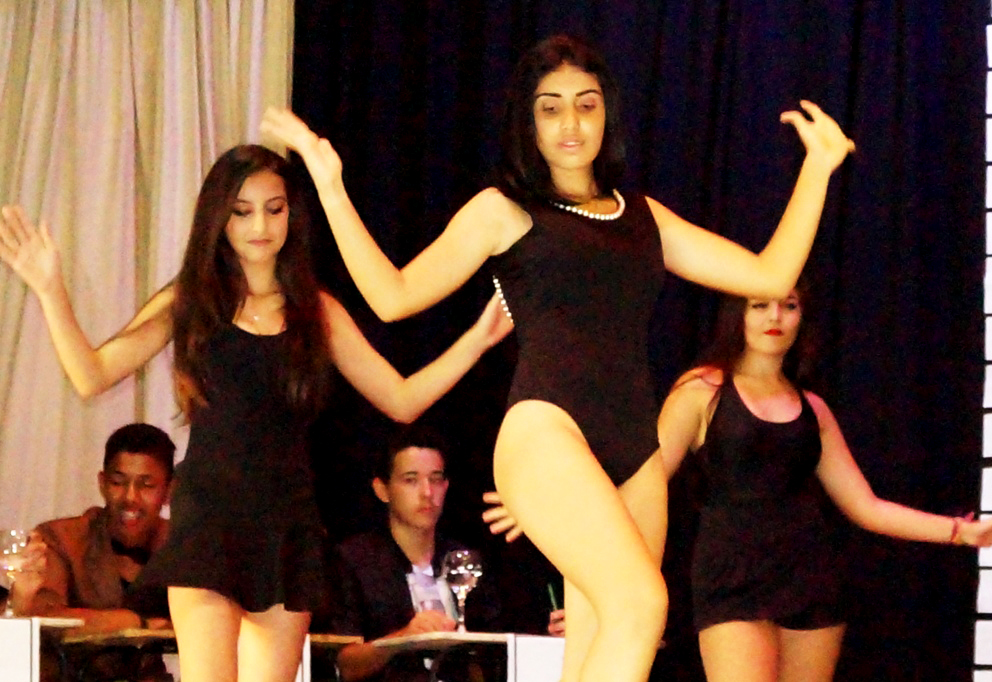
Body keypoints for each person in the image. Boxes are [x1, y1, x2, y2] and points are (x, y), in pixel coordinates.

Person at [260, 34, 854, 682]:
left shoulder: (645, 217)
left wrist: (817, 170)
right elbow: (392, 296)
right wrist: (330, 184)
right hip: (546, 431)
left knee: (603, 640)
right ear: (529, 121)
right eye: (551, 107)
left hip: (634, 452)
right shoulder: (505, 211)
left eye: (585, 104)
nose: (570, 122)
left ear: (607, 114)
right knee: (641, 604)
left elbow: (769, 275)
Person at [0, 145, 511, 682]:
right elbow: (92, 374)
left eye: (275, 208)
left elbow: (401, 398)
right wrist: (50, 289)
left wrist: (476, 341)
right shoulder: (192, 300)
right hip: (208, 521)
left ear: (292, 213)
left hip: (285, 526)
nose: (260, 226)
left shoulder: (316, 310)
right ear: (219, 218)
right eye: (242, 211)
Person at [656, 286, 992, 682]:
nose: (775, 317)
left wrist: (960, 532)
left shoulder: (814, 409)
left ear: (802, 317)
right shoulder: (701, 391)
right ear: (736, 315)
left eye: (789, 306)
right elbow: (646, 487)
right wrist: (624, 589)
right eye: (760, 306)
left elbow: (867, 507)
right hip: (730, 577)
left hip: (810, 577)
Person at [326, 426, 501, 682]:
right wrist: (403, 638)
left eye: (435, 479)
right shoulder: (355, 561)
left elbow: (495, 650)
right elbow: (343, 663)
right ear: (382, 489)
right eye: (411, 480)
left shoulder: (464, 560)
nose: (427, 493)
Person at [9, 422, 176, 682]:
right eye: (118, 482)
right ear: (102, 483)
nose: (130, 497)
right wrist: (134, 622)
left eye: (146, 485)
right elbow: (43, 616)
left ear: (168, 491)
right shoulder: (61, 538)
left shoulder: (181, 545)